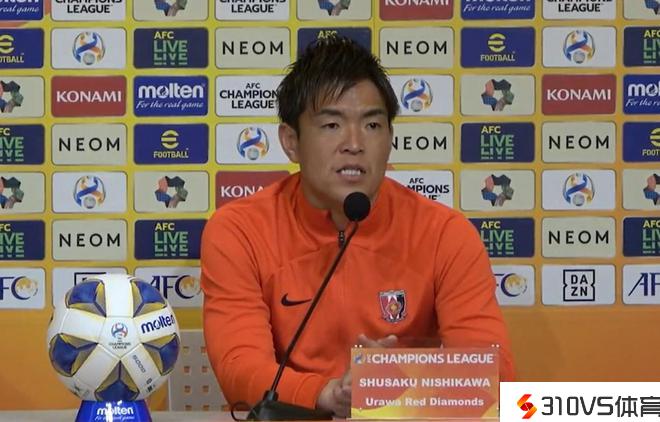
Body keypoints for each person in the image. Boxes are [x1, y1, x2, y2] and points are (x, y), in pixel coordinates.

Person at [201, 36, 515, 418]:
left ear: (390, 138)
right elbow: (239, 368)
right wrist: (329, 394)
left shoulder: (445, 234)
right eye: (332, 124)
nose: (354, 143)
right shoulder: (239, 231)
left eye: (372, 124)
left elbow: (493, 375)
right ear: (291, 142)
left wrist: (402, 383)